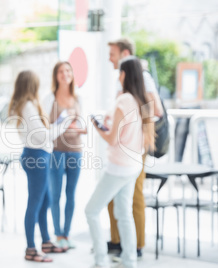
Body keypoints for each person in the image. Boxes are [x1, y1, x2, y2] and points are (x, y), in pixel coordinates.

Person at [85, 56, 154, 268]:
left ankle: (100, 260)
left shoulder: (123, 100)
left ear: (123, 75)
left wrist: (97, 126)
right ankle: (129, 261)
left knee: (91, 211)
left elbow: (112, 139)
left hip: (118, 167)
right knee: (124, 213)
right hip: (134, 166)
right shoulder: (142, 101)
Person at [9, 70, 78, 262]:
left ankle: (46, 241)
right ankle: (31, 249)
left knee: (45, 200)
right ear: (32, 85)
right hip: (36, 156)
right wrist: (65, 122)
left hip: (39, 156)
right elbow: (44, 136)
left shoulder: (27, 105)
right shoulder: (28, 106)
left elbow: (42, 133)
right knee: (35, 203)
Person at [106, 37, 163, 258]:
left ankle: (136, 244)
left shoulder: (142, 77)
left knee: (134, 196)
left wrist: (134, 127)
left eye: (112, 54)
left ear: (125, 54)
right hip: (121, 148)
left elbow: (155, 110)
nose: (109, 58)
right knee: (115, 196)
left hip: (134, 148)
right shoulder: (121, 80)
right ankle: (118, 240)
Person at [42, 61, 87, 249]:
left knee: (71, 194)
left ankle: (67, 234)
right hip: (56, 152)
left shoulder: (78, 98)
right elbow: (44, 127)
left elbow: (83, 126)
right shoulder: (49, 98)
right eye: (61, 71)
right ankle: (58, 234)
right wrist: (62, 124)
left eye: (68, 70)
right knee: (55, 194)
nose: (65, 74)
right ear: (56, 75)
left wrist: (78, 127)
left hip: (75, 151)